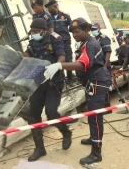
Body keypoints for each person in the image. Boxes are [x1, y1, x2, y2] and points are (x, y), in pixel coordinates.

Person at [44, 17, 112, 165]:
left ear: (87, 30)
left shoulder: (90, 45)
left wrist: (60, 66)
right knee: (91, 114)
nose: (74, 34)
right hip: (91, 82)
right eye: (73, 32)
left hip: (97, 82)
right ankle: (93, 139)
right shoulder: (85, 43)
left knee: (95, 117)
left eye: (77, 31)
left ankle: (96, 152)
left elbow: (82, 64)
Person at [23, 18, 72, 162]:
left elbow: (61, 56)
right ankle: (40, 148)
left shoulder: (54, 38)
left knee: (51, 113)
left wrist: (57, 65)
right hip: (38, 83)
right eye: (32, 31)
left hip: (53, 82)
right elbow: (28, 54)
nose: (34, 34)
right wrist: (21, 56)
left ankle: (66, 132)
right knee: (33, 116)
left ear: (44, 30)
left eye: (37, 31)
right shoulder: (32, 42)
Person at [45, 0, 75, 87]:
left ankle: (70, 80)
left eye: (49, 8)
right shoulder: (48, 18)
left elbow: (73, 27)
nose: (48, 10)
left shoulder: (65, 16)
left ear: (55, 7)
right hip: (55, 43)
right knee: (58, 61)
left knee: (69, 61)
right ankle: (62, 80)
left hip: (65, 42)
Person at [90, 22, 112, 114]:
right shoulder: (92, 38)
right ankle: (100, 106)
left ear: (99, 28)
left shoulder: (103, 38)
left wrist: (105, 65)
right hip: (96, 66)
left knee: (104, 86)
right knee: (97, 87)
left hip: (103, 65)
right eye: (91, 29)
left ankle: (106, 106)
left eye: (94, 29)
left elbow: (107, 52)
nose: (93, 31)